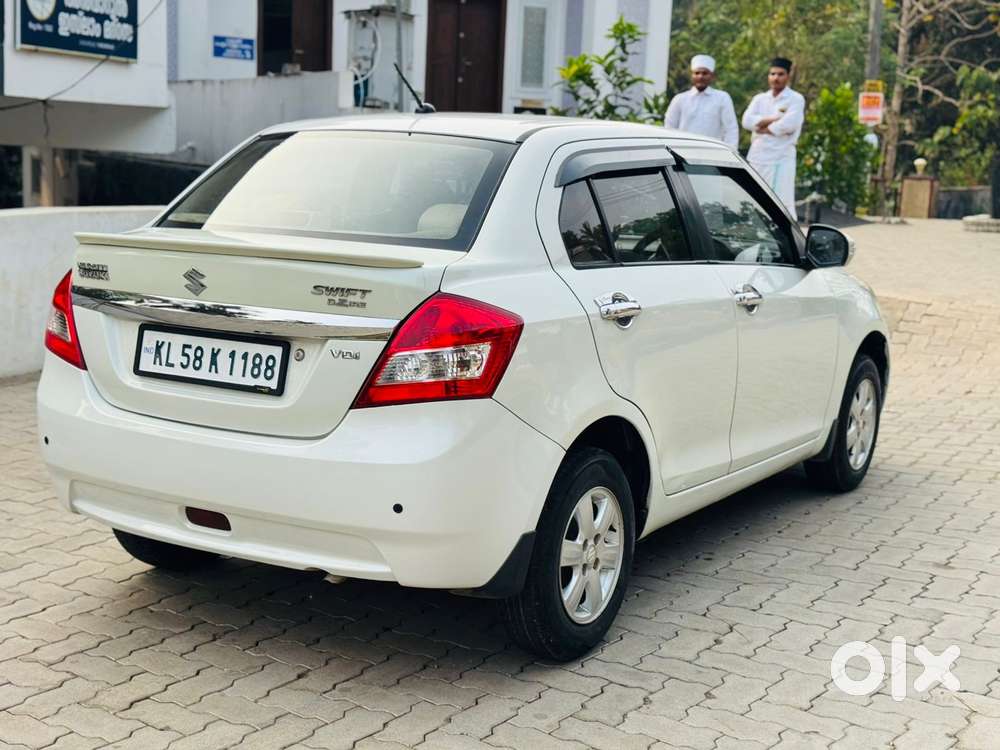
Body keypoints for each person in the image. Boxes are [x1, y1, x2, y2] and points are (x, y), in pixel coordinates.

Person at [741, 57, 805, 213]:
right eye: (772, 74)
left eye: (780, 74)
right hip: (757, 155)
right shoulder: (760, 99)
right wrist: (774, 119)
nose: (776, 78)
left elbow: (789, 125)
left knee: (780, 202)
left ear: (788, 76)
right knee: (752, 199)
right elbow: (746, 121)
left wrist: (761, 127)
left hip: (781, 157)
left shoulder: (796, 99)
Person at [664, 54, 738, 149]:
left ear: (712, 76)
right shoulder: (680, 99)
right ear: (692, 75)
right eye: (697, 73)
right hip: (683, 152)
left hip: (713, 153)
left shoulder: (722, 98)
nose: (700, 76)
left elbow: (731, 129)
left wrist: (731, 154)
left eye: (704, 73)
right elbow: (669, 127)